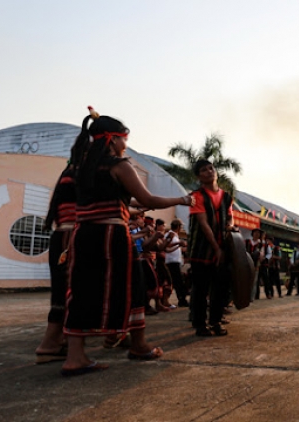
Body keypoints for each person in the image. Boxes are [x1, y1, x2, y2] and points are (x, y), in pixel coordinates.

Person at [62, 108, 191, 376]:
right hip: (111, 237)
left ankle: (75, 357)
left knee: (82, 290)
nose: (125, 145)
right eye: (124, 139)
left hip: (82, 234)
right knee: (132, 286)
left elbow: (108, 201)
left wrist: (128, 208)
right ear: (112, 139)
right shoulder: (119, 166)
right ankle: (139, 345)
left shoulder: (78, 167)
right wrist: (181, 200)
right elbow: (149, 200)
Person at [35, 130, 88, 364]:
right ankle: (50, 344)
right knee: (69, 291)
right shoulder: (78, 174)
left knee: (63, 290)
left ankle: (58, 342)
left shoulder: (68, 173)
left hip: (63, 236)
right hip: (70, 236)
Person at [187, 159, 235, 336]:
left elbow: (230, 217)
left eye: (211, 168)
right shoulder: (196, 196)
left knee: (221, 287)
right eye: (204, 170)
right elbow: (203, 224)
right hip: (201, 249)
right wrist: (216, 248)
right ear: (199, 176)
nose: (209, 172)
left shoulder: (227, 196)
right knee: (200, 288)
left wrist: (230, 226)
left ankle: (215, 321)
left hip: (223, 246)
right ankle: (200, 324)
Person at [164, 219, 189, 307]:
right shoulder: (169, 234)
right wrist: (179, 243)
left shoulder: (175, 235)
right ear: (178, 227)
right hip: (172, 261)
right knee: (178, 281)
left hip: (176, 260)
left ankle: (182, 298)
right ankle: (181, 299)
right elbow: (166, 245)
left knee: (179, 281)